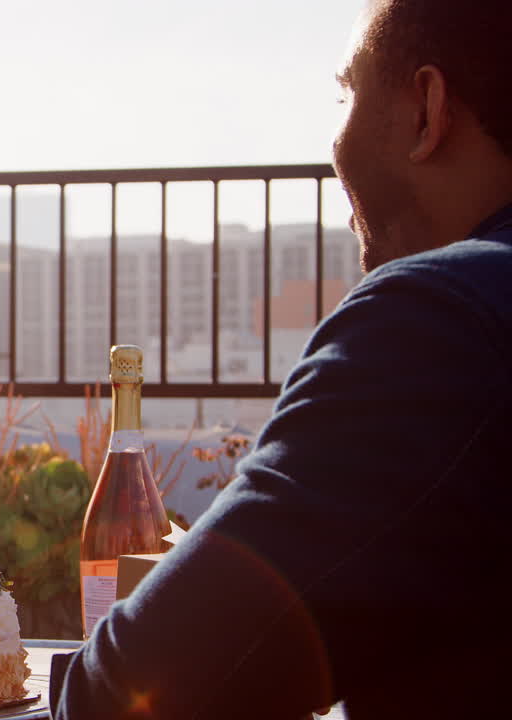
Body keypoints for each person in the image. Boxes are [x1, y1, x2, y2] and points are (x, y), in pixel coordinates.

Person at [51, 1, 512, 717]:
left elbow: (132, 690)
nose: (337, 137)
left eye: (346, 93)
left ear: (428, 108)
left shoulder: (436, 323)